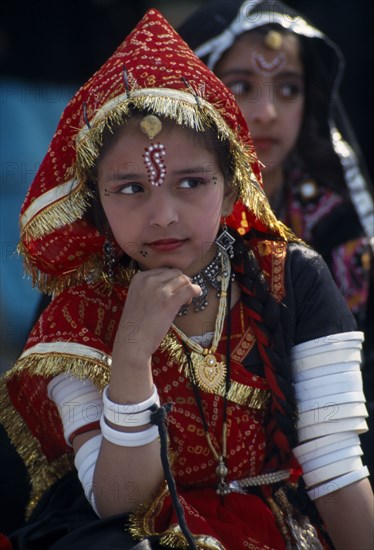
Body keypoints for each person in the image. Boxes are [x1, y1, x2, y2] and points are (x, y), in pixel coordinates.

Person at [0, 8, 373, 550]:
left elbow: (336, 473)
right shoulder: (79, 312)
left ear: (231, 189)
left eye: (192, 182)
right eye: (130, 189)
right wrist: (131, 352)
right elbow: (119, 505)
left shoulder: (291, 275)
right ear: (95, 206)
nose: (164, 215)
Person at [178, 0, 374, 362]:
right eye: (240, 87)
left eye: (288, 90)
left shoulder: (339, 224)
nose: (267, 113)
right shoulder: (150, 216)